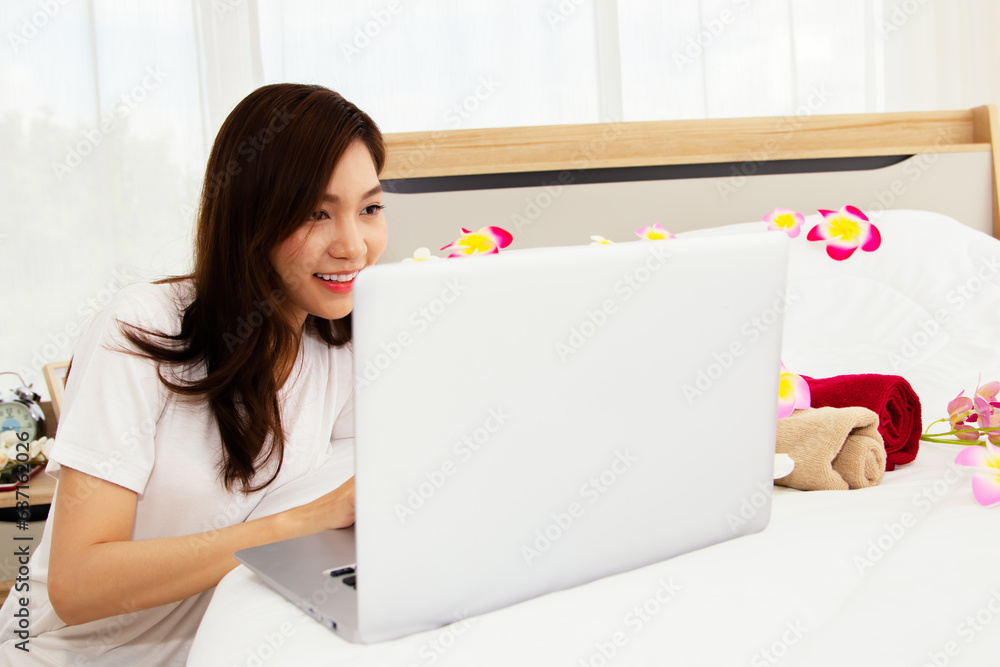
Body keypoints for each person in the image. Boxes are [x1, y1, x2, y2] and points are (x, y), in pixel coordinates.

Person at [0, 83, 387, 665]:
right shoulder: (143, 328)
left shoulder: (341, 342)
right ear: (250, 217)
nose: (353, 246)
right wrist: (303, 521)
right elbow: (77, 586)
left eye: (370, 209)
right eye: (316, 213)